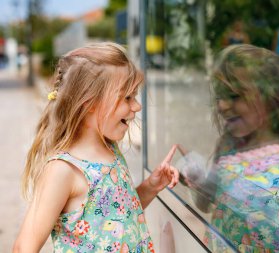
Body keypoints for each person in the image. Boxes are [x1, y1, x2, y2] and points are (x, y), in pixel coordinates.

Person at [13, 42, 179, 253]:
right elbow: (23, 247)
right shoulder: (63, 170)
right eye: (127, 97)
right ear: (90, 102)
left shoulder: (110, 149)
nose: (137, 106)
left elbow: (119, 217)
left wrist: (151, 186)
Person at [178, 44, 279, 252]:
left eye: (235, 95)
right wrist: (197, 178)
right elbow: (207, 202)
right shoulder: (228, 144)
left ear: (270, 97)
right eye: (219, 97)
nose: (222, 106)